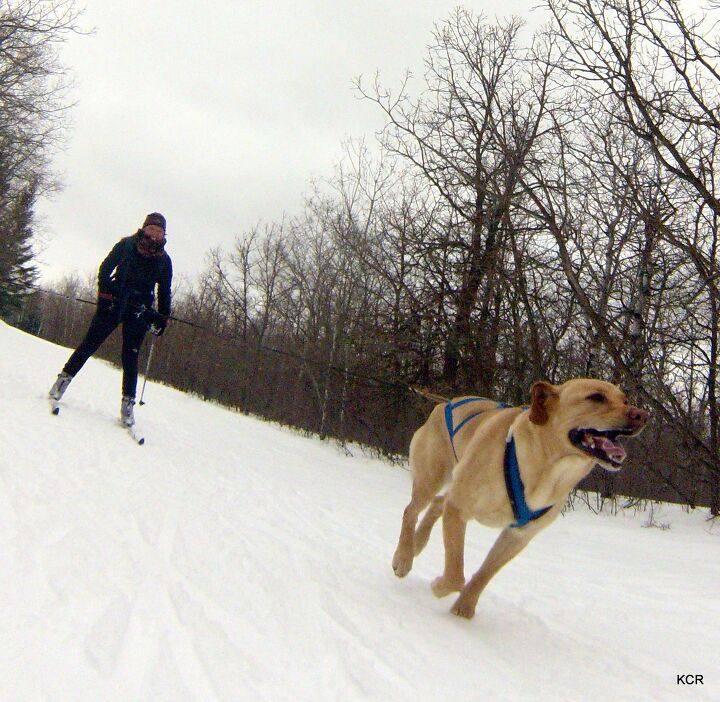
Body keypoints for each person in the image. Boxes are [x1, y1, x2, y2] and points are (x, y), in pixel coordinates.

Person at [48, 212, 173, 426]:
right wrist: (104, 295)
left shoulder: (164, 260)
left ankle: (128, 405)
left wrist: (161, 318)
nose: (155, 234)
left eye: (159, 231)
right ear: (144, 228)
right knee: (90, 344)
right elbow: (105, 270)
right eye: (152, 229)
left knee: (130, 358)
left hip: (140, 310)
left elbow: (164, 291)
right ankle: (61, 383)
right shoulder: (126, 245)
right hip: (115, 302)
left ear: (164, 235)